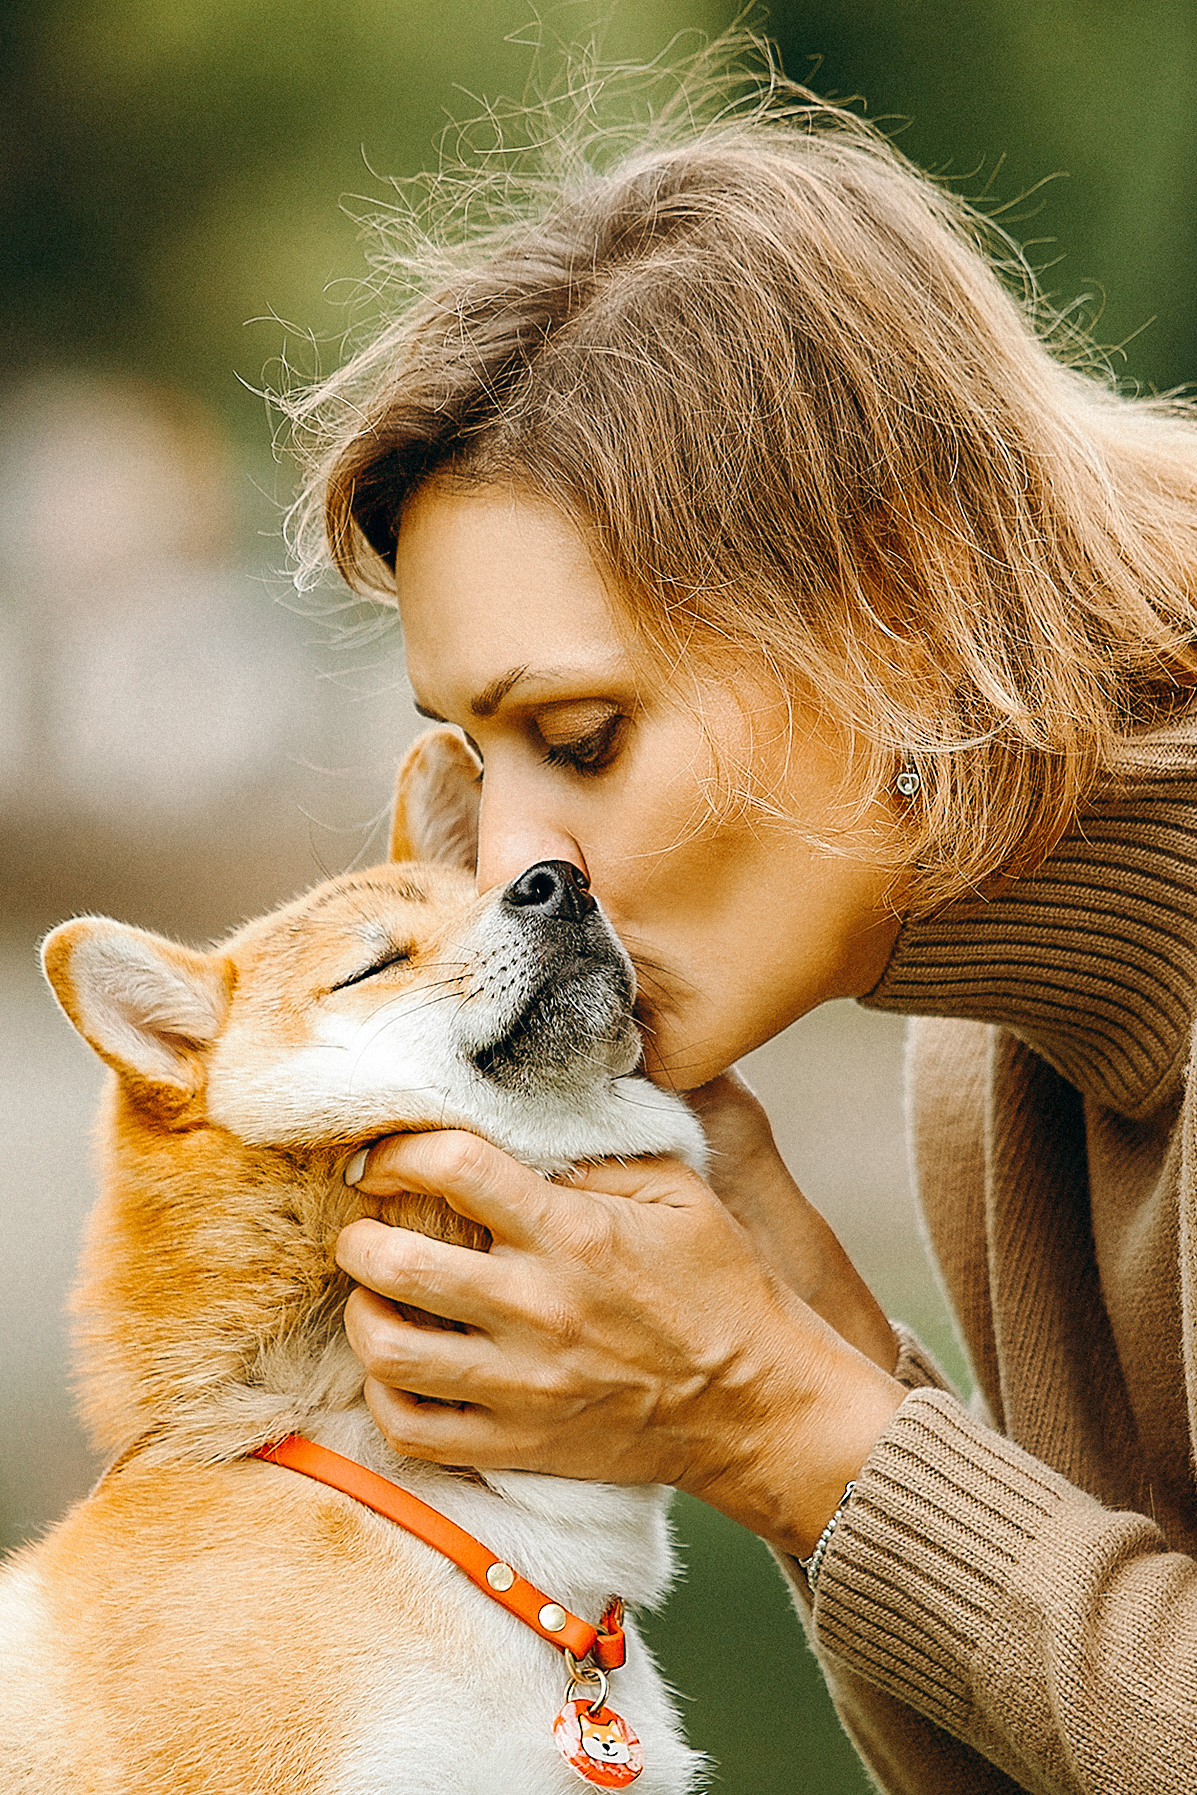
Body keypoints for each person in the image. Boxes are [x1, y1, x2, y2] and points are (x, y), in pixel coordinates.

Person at [286, 55, 1197, 1793]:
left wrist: (786, 1421)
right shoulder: (986, 1055)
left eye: (582, 740)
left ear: (903, 595)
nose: (510, 871)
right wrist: (786, 1320)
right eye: (477, 759)